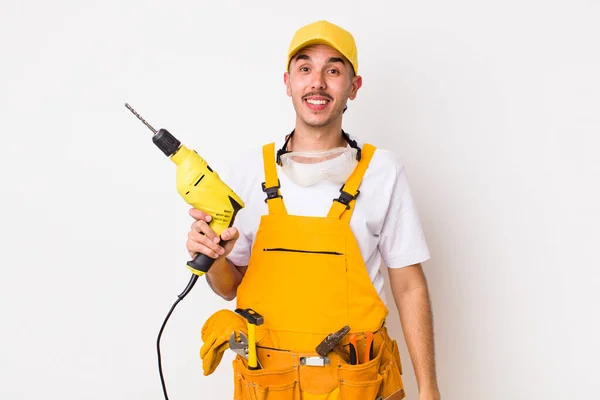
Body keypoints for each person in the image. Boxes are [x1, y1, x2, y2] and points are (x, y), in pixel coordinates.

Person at [187, 20, 440, 400]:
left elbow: (408, 285)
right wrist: (212, 256)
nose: (317, 82)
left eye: (333, 70)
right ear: (288, 83)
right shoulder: (247, 170)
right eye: (305, 68)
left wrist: (429, 389)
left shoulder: (382, 172)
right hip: (268, 385)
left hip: (357, 384)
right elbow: (228, 287)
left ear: (353, 87)